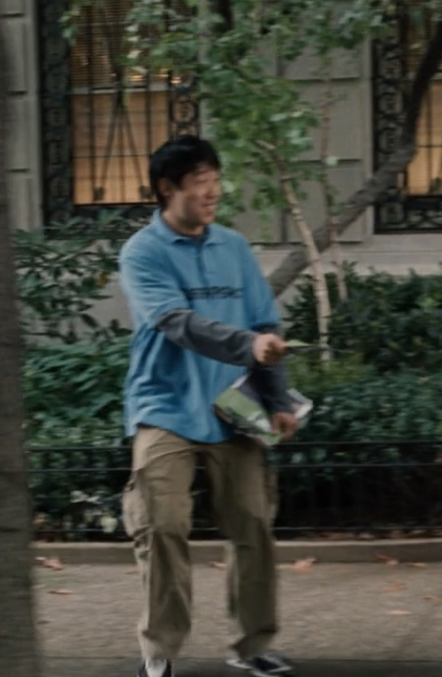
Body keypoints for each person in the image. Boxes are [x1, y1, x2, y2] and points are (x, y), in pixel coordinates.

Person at [118, 135, 299, 677]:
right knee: (161, 524)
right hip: (164, 406)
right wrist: (248, 345)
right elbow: (177, 323)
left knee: (253, 523)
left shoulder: (233, 247)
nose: (213, 192)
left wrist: (278, 398)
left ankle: (253, 644)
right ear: (167, 188)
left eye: (216, 181)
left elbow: (265, 324)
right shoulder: (142, 252)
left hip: (233, 405)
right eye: (201, 183)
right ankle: (159, 652)